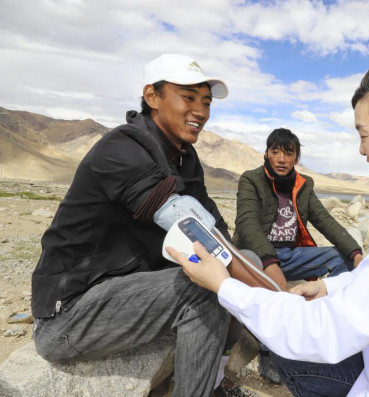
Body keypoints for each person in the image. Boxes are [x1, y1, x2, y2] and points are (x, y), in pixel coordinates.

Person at [168, 61, 369, 396]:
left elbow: (326, 321)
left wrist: (224, 287)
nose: (361, 149)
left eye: (364, 135)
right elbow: (248, 224)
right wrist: (329, 288)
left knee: (298, 339)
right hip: (274, 261)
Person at [31, 54, 250, 396]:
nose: (201, 112)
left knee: (242, 258)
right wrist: (284, 306)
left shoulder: (183, 156)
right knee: (208, 286)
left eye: (206, 102)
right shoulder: (123, 148)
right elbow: (194, 229)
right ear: (152, 97)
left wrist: (251, 271)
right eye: (188, 98)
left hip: (131, 290)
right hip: (71, 314)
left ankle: (216, 374)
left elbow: (217, 229)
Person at [234, 128, 363, 291]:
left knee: (344, 258)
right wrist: (269, 262)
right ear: (266, 154)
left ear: (296, 159)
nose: (282, 159)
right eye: (275, 152)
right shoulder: (251, 180)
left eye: (288, 153)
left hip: (289, 257)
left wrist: (355, 252)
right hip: (255, 256)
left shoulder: (303, 185)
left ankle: (321, 302)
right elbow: (247, 223)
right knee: (245, 262)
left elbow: (324, 220)